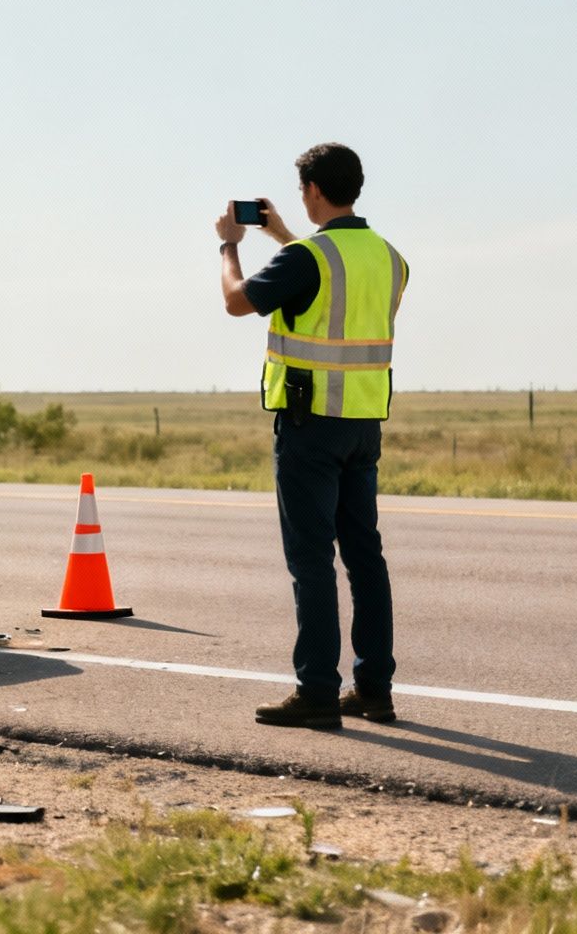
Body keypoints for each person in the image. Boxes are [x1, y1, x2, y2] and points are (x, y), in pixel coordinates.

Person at [215, 143, 409, 730]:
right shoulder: (390, 258)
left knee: (311, 561)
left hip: (309, 427)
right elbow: (329, 281)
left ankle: (317, 691)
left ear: (315, 191)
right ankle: (374, 689)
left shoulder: (310, 255)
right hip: (363, 425)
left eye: (303, 190)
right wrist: (285, 237)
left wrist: (229, 244)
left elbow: (235, 301)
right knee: (365, 558)